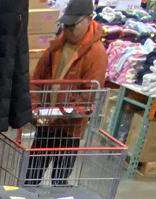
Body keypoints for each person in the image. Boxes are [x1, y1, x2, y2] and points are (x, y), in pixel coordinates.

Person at [26, 0, 109, 186]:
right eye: (66, 25)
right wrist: (36, 108)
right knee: (31, 175)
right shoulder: (57, 46)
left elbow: (89, 95)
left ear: (89, 19)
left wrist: (60, 114)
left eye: (73, 25)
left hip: (70, 129)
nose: (68, 30)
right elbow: (37, 79)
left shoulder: (96, 53)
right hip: (46, 123)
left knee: (59, 181)